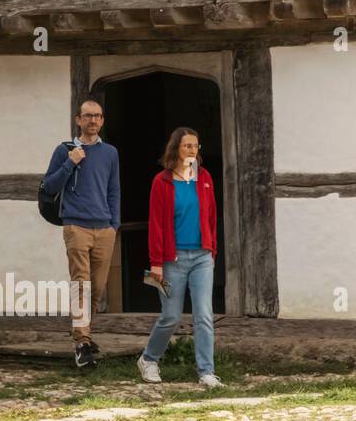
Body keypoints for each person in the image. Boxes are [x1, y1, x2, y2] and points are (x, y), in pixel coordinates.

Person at [137, 127, 222, 388]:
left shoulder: (204, 178)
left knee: (204, 316)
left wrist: (212, 250)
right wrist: (155, 263)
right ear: (175, 149)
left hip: (202, 257)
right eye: (187, 146)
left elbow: (211, 217)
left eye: (196, 146)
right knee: (171, 316)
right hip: (172, 260)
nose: (192, 150)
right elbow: (156, 225)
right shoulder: (161, 182)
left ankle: (206, 371)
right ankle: (149, 359)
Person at [42, 100, 120, 368]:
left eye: (98, 116)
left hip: (104, 227)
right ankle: (82, 342)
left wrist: (114, 224)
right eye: (88, 116)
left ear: (102, 120)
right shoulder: (64, 150)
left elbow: (114, 190)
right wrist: (70, 164)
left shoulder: (110, 153)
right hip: (76, 226)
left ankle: (84, 331)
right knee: (81, 283)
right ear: (78, 120)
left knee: (96, 287)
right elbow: (48, 186)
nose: (93, 120)